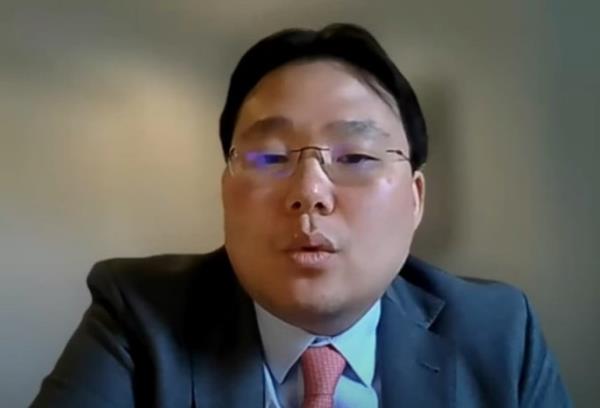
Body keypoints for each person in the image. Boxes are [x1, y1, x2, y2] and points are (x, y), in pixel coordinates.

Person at [31, 23, 571, 408]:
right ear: (226, 191)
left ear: (415, 199)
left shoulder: (499, 333)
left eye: (355, 158)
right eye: (269, 159)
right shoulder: (139, 317)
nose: (309, 193)